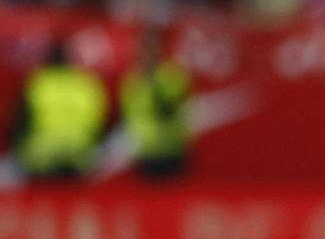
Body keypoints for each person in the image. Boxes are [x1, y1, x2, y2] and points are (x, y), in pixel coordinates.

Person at [11, 42, 109, 180]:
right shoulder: (87, 84)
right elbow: (100, 124)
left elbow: (20, 122)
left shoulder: (39, 82)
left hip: (41, 158)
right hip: (80, 157)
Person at [119, 29, 191, 178]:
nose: (147, 55)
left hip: (171, 150)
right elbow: (128, 116)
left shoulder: (171, 77)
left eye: (151, 49)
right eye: (144, 50)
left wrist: (154, 81)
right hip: (145, 152)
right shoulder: (131, 82)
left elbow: (170, 107)